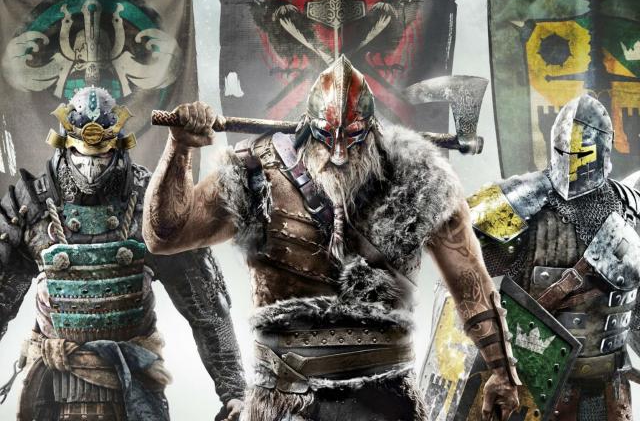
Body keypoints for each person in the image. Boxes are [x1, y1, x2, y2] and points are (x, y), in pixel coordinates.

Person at [143, 55, 520, 421]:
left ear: (371, 129)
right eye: (327, 137)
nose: (339, 153)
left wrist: (502, 372)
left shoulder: (420, 179)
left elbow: (470, 281)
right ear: (307, 128)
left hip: (386, 403)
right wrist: (180, 147)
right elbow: (164, 236)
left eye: (353, 137)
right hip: (284, 401)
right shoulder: (254, 172)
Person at [0, 86, 245, 420]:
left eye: (100, 156)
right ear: (63, 145)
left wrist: (234, 391)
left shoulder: (150, 205)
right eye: (81, 155)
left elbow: (207, 308)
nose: (90, 167)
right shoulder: (31, 205)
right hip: (53, 389)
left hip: (133, 390)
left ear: (117, 147)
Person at [467, 93, 640, 420]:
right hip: (533, 388)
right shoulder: (523, 204)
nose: (571, 163)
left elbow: (634, 301)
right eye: (563, 152)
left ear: (603, 149)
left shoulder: (630, 209)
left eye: (582, 154)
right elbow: (466, 275)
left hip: (607, 388)